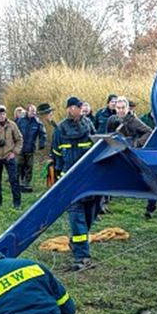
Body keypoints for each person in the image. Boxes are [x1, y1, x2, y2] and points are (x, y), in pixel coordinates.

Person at [51, 96, 99, 271]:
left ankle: (76, 243)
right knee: (77, 218)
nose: (82, 109)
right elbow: (55, 153)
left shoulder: (88, 126)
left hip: (89, 180)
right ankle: (82, 256)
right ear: (70, 109)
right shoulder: (60, 130)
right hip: (70, 181)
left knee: (90, 214)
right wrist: (57, 176)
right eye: (79, 107)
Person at [108, 98, 157, 218]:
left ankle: (155, 208)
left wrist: (135, 143)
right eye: (118, 108)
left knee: (152, 179)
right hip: (121, 152)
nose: (120, 110)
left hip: (137, 154)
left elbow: (149, 132)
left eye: (123, 108)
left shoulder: (133, 120)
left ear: (127, 108)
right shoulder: (112, 119)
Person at [15, 104, 47, 192]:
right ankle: (19, 182)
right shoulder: (20, 120)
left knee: (29, 166)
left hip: (30, 148)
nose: (34, 113)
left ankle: (27, 183)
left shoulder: (37, 122)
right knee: (19, 165)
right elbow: (14, 132)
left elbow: (43, 134)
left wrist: (42, 143)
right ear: (27, 111)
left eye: (35, 111)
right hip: (20, 147)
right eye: (32, 111)